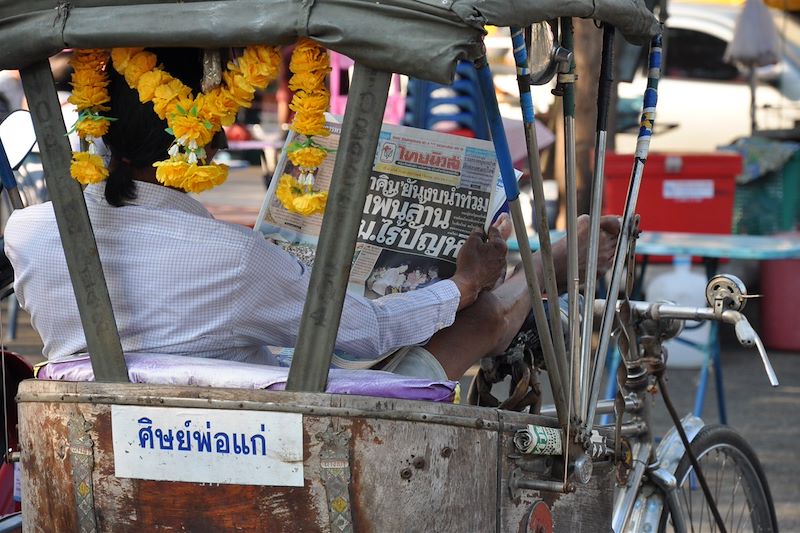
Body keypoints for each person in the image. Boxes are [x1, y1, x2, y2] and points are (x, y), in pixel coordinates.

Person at [3, 47, 620, 382]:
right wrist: (464, 282)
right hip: (244, 440)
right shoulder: (236, 258)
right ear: (208, 136)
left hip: (91, 433)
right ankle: (544, 270)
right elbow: (366, 332)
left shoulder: (27, 232)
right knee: (476, 318)